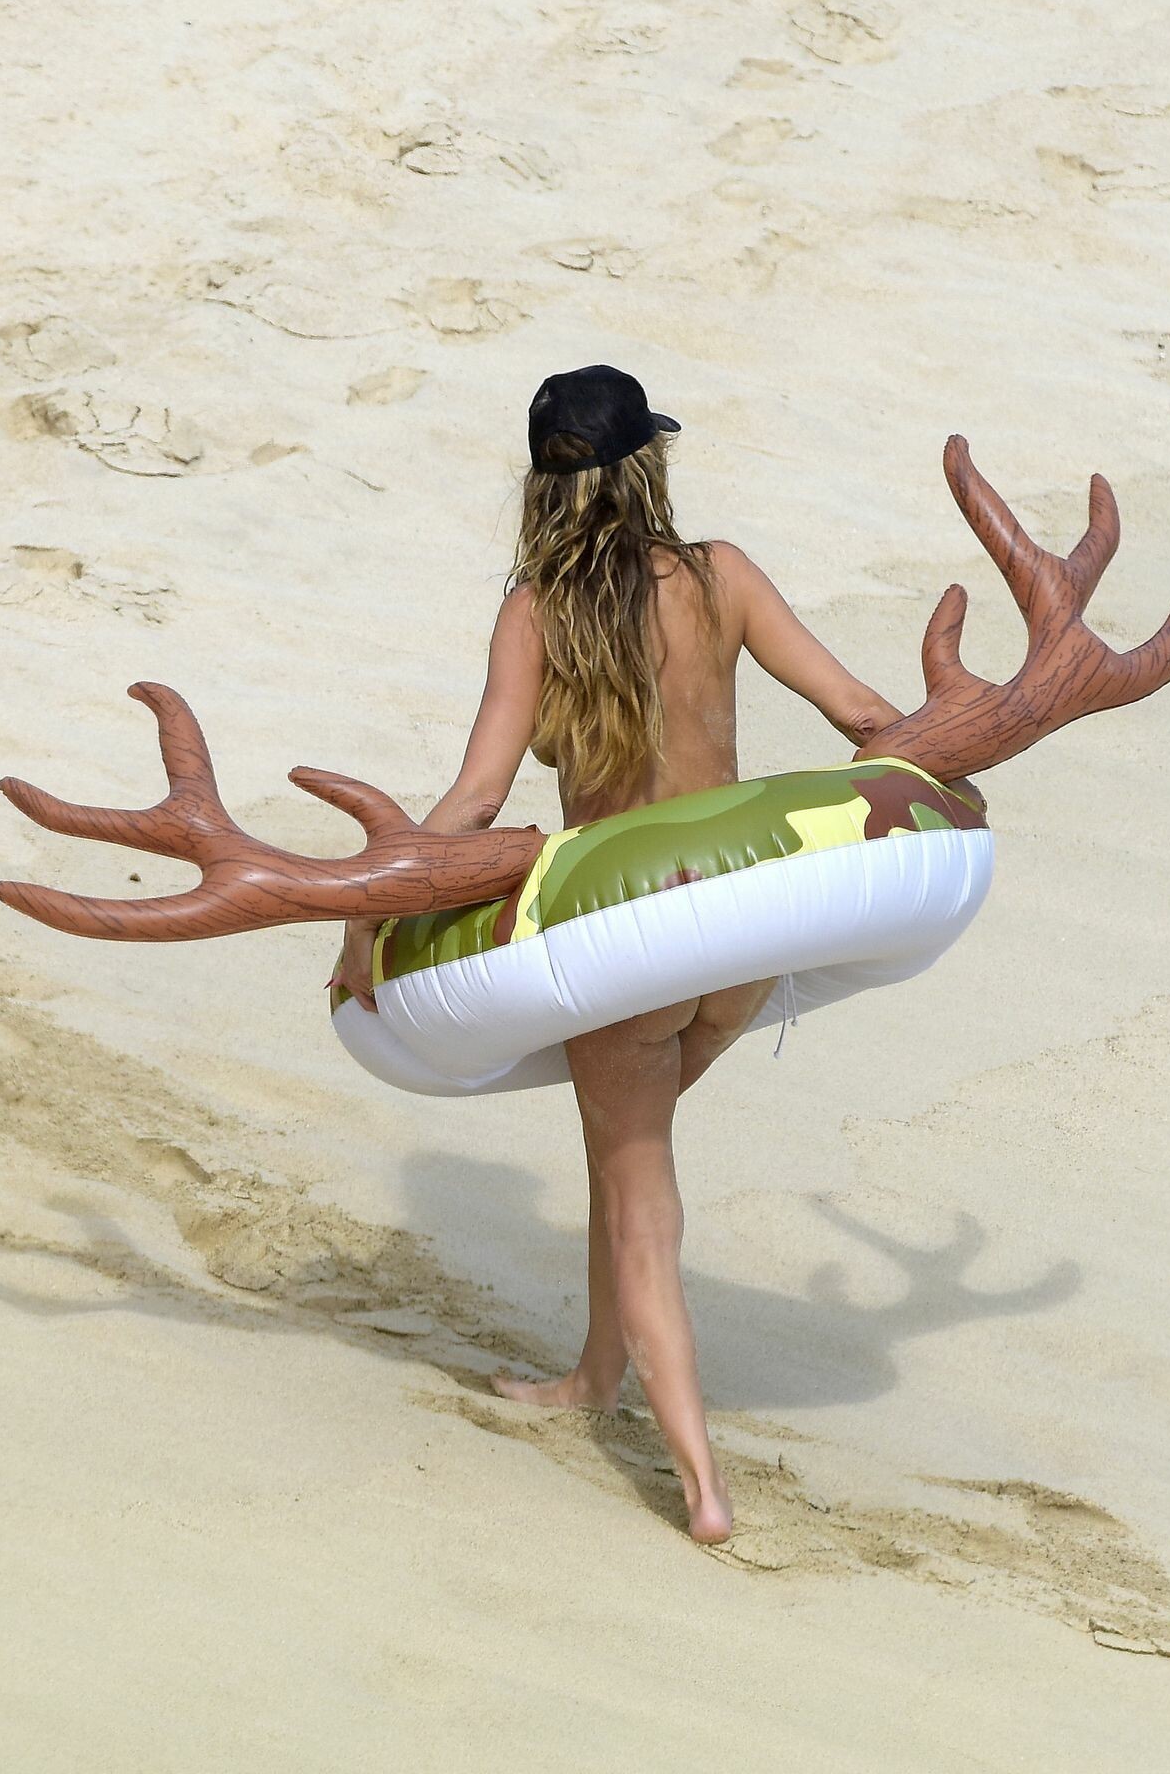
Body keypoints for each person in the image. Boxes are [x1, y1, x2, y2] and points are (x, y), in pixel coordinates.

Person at [332, 363, 917, 1543]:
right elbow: (865, 716)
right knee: (620, 1160)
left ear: (541, 485)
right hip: (740, 929)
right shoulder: (720, 576)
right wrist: (934, 786)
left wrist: (364, 920)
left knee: (639, 1192)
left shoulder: (535, 612)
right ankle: (592, 1377)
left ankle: (699, 1484)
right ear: (648, 462)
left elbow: (478, 798)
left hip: (622, 947)